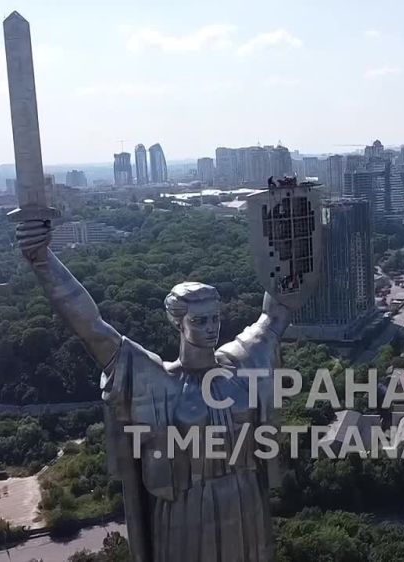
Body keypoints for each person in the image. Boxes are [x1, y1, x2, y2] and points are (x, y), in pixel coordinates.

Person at [16, 219, 292, 562]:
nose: (211, 328)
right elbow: (91, 327)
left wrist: (287, 228)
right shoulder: (161, 382)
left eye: (214, 318)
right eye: (199, 320)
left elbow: (276, 312)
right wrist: (43, 260)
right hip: (187, 512)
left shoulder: (243, 365)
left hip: (245, 501)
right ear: (178, 322)